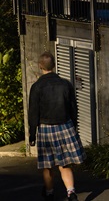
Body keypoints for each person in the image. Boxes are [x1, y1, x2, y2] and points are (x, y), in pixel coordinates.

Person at [28, 51, 86, 201]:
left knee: (48, 165)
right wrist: (73, 124)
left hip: (46, 128)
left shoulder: (37, 87)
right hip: (65, 125)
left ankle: (49, 192)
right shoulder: (65, 84)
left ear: (40, 66)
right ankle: (71, 192)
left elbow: (33, 112)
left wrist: (32, 134)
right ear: (54, 65)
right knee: (65, 162)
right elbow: (73, 107)